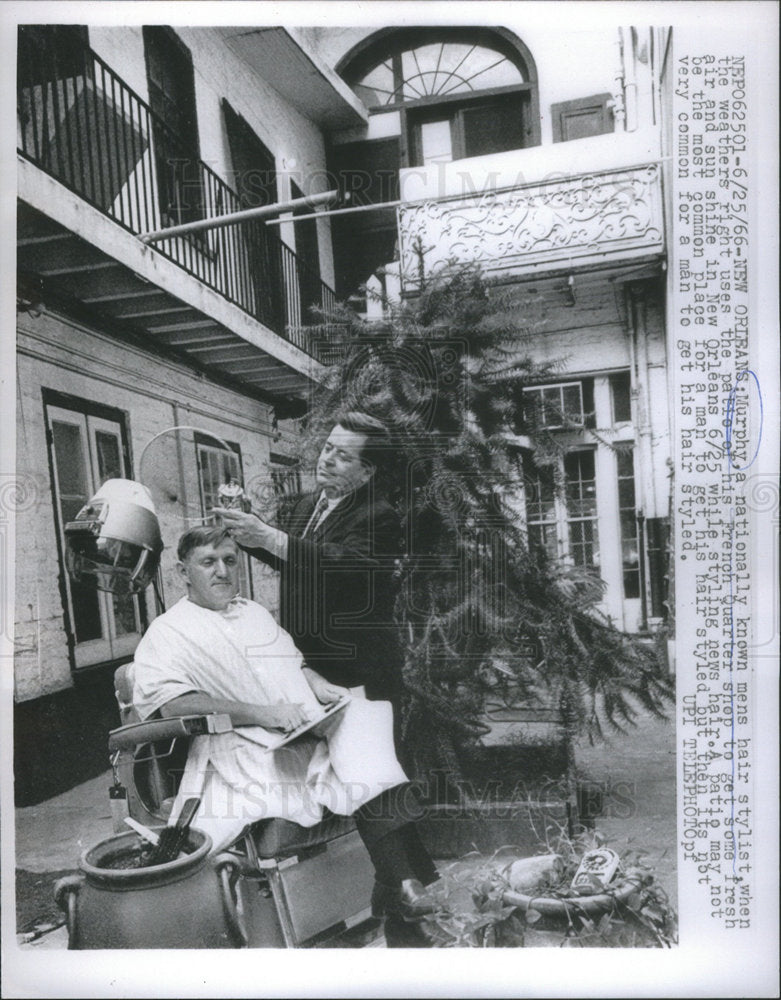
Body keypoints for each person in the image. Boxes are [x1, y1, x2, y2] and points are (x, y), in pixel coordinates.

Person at [131, 525, 437, 922]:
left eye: (229, 560)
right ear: (182, 572)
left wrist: (319, 685)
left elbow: (294, 664)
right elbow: (172, 704)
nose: (222, 571)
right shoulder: (169, 631)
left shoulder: (253, 613)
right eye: (208, 562)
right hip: (240, 749)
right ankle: (404, 881)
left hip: (299, 730)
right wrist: (264, 714)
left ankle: (400, 883)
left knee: (359, 721)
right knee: (356, 763)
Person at [215, 412, 404, 727]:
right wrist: (245, 531)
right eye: (328, 448)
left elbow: (341, 564)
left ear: (366, 473)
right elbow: (290, 556)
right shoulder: (308, 505)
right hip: (308, 668)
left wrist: (270, 536)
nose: (327, 460)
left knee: (367, 768)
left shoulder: (378, 515)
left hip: (357, 674)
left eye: (343, 456)